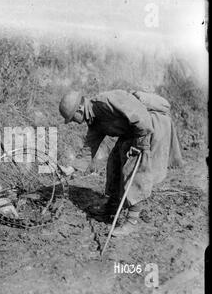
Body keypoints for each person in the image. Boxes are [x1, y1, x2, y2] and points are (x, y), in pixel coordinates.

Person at [59, 89, 183, 236]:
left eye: (73, 118)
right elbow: (89, 147)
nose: (74, 121)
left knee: (135, 170)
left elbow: (139, 113)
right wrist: (72, 168)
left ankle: (132, 221)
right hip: (133, 131)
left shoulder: (106, 101)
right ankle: (112, 207)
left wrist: (142, 143)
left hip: (149, 126)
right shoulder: (94, 120)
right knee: (114, 161)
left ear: (79, 109)